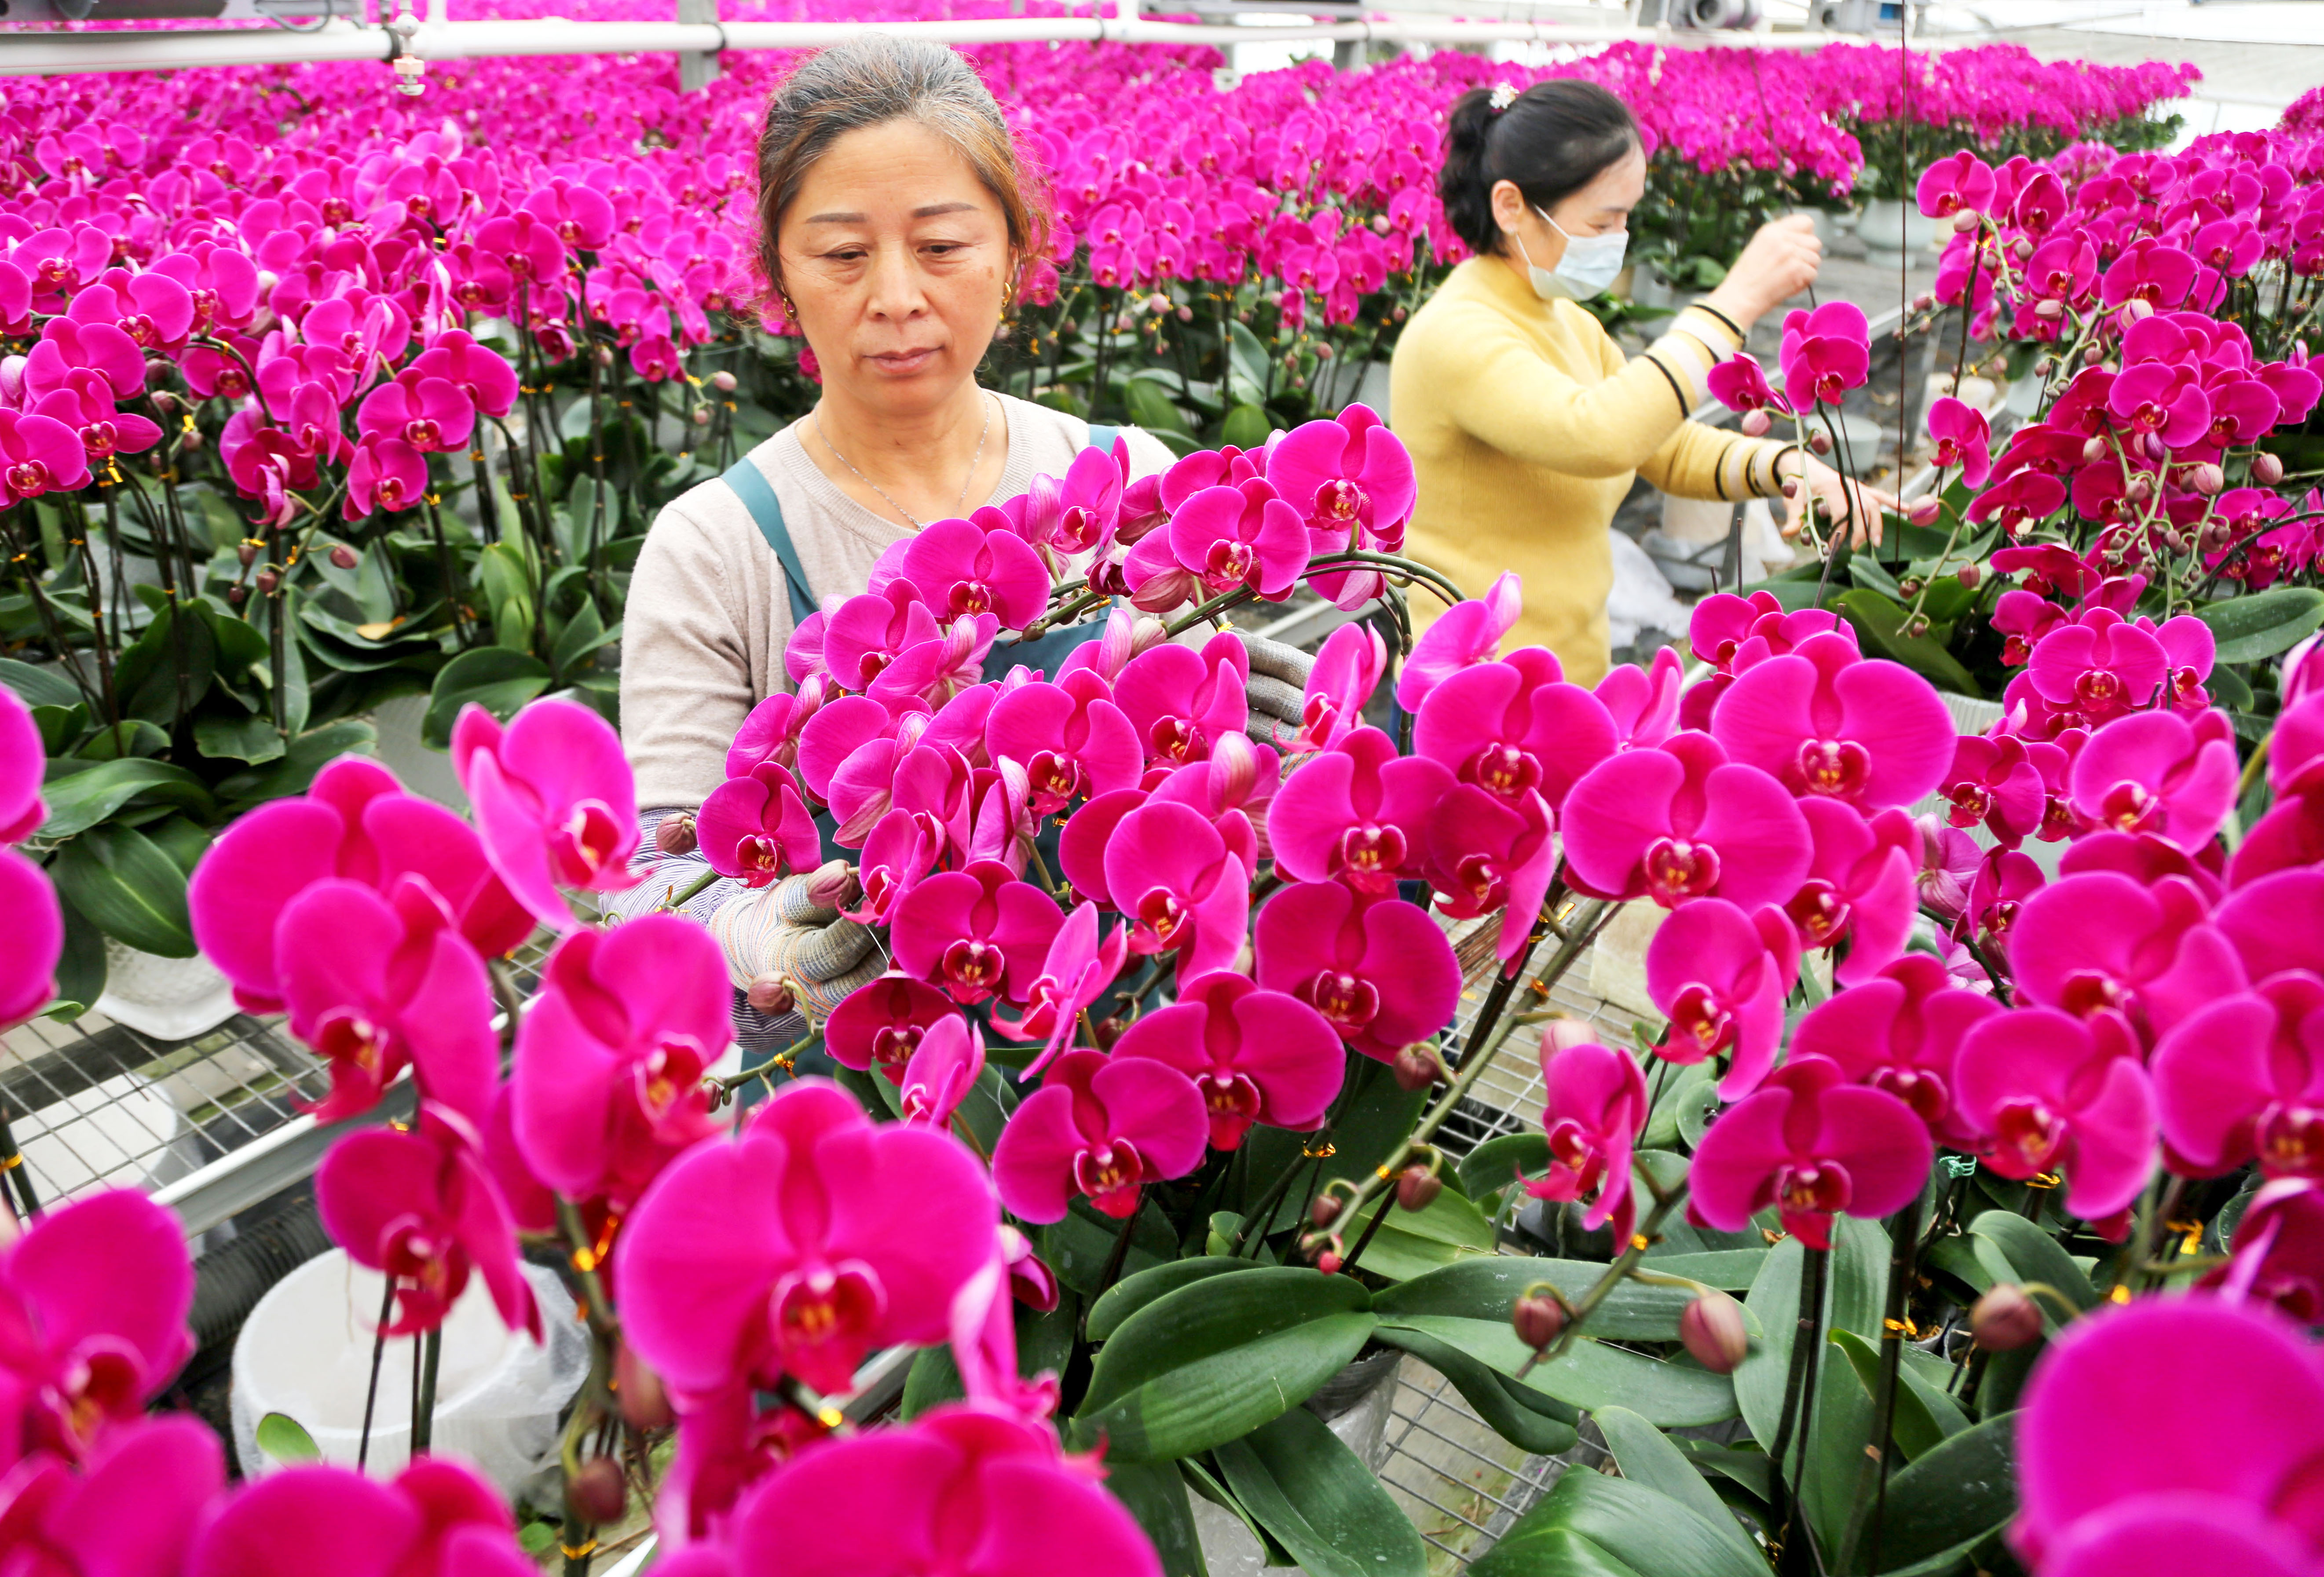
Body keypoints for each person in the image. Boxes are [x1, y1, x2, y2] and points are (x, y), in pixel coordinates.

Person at [613, 37, 1184, 1048]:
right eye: (841, 254)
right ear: (776, 276)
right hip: (856, 1081)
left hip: (1131, 1049)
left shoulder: (1125, 479)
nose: (894, 297)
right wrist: (747, 929)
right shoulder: (715, 545)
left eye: (940, 245)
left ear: (1015, 249)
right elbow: (646, 881)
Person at [1390, 80, 1891, 685]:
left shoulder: (1567, 320)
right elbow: (1601, 435)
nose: (1620, 241)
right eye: (1603, 222)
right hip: (1472, 699)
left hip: (1567, 681)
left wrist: (1787, 466)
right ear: (1511, 206)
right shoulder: (1455, 333)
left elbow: (1665, 445)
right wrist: (1731, 305)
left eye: (1628, 218)